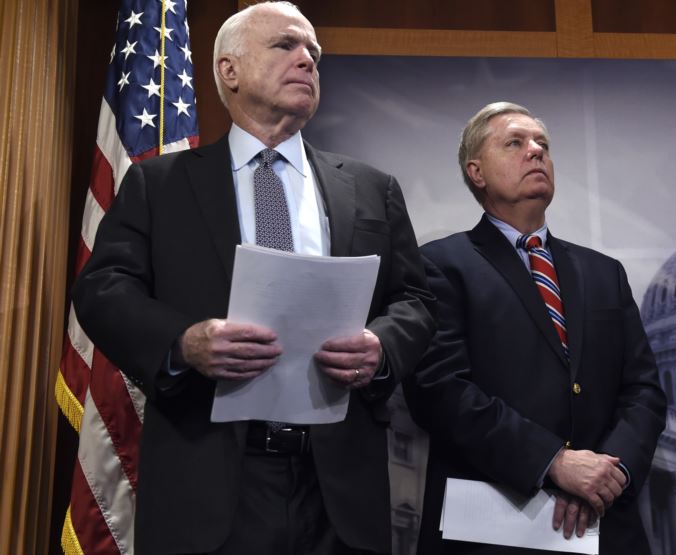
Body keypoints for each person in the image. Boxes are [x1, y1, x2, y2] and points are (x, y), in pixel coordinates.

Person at [72, 2, 434, 554]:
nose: (307, 60)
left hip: (338, 489)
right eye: (286, 45)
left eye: (313, 53)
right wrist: (183, 342)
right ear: (230, 70)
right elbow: (103, 290)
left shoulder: (371, 188)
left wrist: (381, 347)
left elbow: (415, 300)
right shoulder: (159, 184)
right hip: (209, 481)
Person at [405, 102, 667, 554]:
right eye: (515, 143)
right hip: (493, 529)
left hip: (606, 527)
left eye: (542, 144)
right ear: (476, 172)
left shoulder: (605, 273)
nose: (536, 151)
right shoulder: (439, 265)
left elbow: (643, 390)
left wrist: (611, 474)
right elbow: (439, 390)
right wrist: (554, 462)